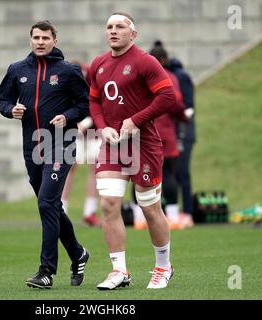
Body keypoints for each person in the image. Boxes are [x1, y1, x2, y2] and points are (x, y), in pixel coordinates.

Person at [0, 20, 90, 289]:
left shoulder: (68, 71)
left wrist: (68, 115)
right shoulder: (17, 70)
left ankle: (46, 271)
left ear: (54, 41)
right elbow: (3, 100)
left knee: (46, 203)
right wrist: (9, 110)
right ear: (30, 40)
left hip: (62, 143)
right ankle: (78, 253)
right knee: (50, 205)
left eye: (45, 38)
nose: (40, 42)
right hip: (33, 147)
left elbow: (85, 104)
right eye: (36, 37)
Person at [89, 12, 177, 289]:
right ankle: (119, 271)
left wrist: (135, 120)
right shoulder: (98, 64)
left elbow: (167, 96)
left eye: (119, 26)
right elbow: (94, 102)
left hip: (144, 144)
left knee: (150, 208)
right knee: (108, 204)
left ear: (133, 34)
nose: (113, 31)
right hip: (112, 145)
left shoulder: (145, 61)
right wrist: (102, 127)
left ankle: (163, 266)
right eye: (109, 27)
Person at [149, 42, 193, 230]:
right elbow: (174, 102)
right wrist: (184, 116)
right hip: (166, 132)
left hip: (145, 132)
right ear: (165, 59)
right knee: (168, 174)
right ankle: (173, 217)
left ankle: (139, 218)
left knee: (140, 176)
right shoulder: (171, 77)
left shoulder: (141, 75)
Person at [61, 61, 101, 227]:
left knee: (94, 169)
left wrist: (89, 120)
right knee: (69, 169)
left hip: (93, 133)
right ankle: (62, 210)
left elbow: (97, 103)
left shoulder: (92, 81)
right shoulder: (65, 83)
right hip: (74, 132)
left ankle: (89, 211)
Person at [167, 56, 196, 226]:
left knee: (181, 173)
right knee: (174, 173)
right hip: (177, 131)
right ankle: (179, 212)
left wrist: (183, 124)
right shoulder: (177, 75)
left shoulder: (180, 76)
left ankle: (187, 213)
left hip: (183, 132)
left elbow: (187, 106)